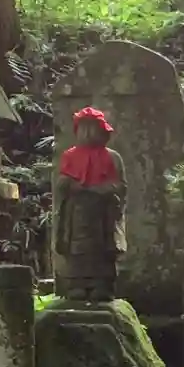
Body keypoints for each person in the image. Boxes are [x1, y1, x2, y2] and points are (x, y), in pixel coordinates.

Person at [54, 106, 127, 300]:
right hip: (77, 211)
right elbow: (61, 183)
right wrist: (70, 185)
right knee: (77, 248)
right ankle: (77, 284)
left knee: (103, 248)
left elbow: (120, 185)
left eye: (92, 128)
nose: (87, 133)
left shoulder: (112, 157)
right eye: (83, 128)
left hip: (103, 212)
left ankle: (102, 285)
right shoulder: (70, 155)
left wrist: (103, 189)